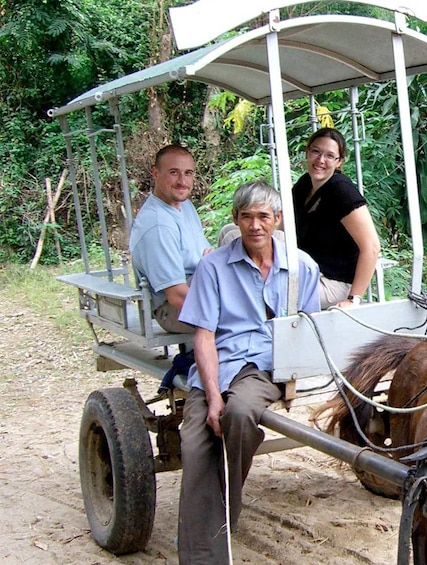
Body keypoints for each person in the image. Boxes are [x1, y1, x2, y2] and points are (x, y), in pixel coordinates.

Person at [176, 181, 320, 564]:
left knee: (239, 415)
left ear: (277, 220)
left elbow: (308, 327)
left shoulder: (300, 266)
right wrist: (210, 397)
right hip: (218, 365)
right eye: (246, 217)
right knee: (194, 445)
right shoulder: (213, 267)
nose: (255, 225)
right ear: (236, 221)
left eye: (263, 217)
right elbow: (204, 336)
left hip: (267, 366)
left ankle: (223, 513)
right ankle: (204, 547)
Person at [292, 127, 380, 309]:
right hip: (306, 272)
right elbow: (282, 231)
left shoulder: (341, 190)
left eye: (330, 156)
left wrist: (353, 299)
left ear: (339, 162)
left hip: (335, 283)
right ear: (307, 152)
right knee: (233, 234)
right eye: (316, 151)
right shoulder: (304, 185)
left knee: (272, 286)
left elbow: (371, 247)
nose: (320, 160)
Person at [129, 144, 211, 333]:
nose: (182, 181)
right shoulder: (158, 224)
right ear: (155, 173)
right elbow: (177, 296)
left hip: (199, 286)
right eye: (174, 172)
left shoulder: (185, 205)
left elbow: (203, 253)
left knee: (237, 234)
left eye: (188, 173)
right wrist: (232, 309)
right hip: (175, 309)